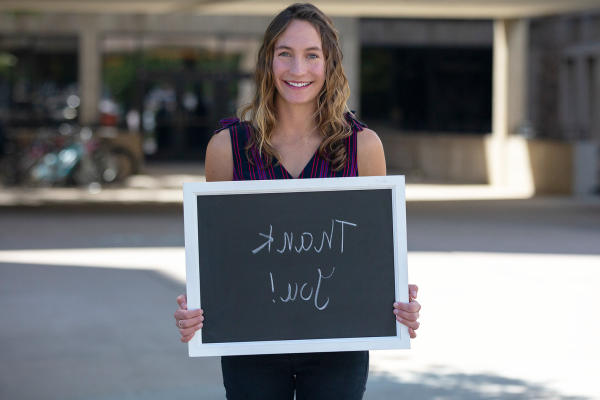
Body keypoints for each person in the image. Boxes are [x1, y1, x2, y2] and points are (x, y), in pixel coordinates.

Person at [174, 4, 421, 399]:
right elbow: (220, 255)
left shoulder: (362, 146)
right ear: (267, 61)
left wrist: (393, 295)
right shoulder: (227, 148)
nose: (298, 69)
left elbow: (371, 252)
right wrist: (199, 306)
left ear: (330, 64)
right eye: (285, 53)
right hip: (251, 345)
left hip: (338, 346)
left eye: (312, 55)